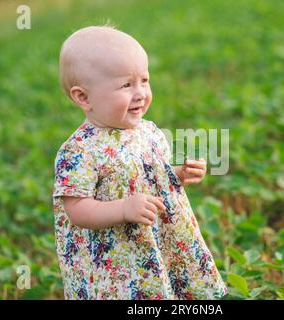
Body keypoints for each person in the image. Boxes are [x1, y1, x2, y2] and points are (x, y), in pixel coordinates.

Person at [53, 25, 228, 300]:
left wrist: (179, 174)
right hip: (117, 261)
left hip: (158, 240)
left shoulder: (149, 131)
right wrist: (123, 208)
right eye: (126, 85)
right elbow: (76, 209)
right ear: (83, 97)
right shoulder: (79, 150)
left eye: (144, 80)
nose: (140, 93)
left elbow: (150, 175)